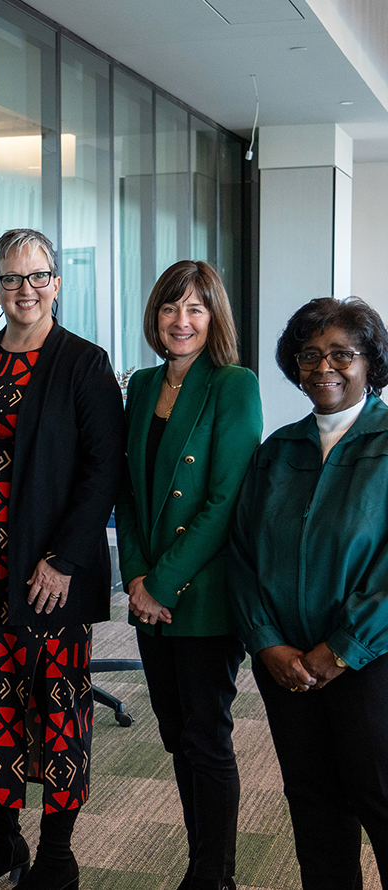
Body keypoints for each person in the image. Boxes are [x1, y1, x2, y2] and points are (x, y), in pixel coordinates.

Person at [0, 229, 123, 890]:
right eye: (11, 279)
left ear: (57, 282)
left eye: (38, 276)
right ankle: (3, 846)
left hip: (49, 578)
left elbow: (103, 470)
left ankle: (56, 852)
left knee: (56, 710)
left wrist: (64, 560)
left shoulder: (83, 362)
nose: (25, 289)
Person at [229, 296, 388, 890]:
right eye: (310, 355)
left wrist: (341, 648)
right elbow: (242, 559)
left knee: (378, 796)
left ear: (371, 363)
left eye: (343, 354)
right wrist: (267, 644)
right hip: (286, 666)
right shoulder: (278, 451)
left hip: (369, 662)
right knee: (313, 805)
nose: (325, 367)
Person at [114, 261, 262, 890]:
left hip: (200, 595)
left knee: (207, 736)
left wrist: (162, 583)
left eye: (196, 309)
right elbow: (128, 489)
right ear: (156, 315)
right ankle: (200, 865)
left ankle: (214, 875)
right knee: (176, 737)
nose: (181, 321)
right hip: (151, 594)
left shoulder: (234, 384)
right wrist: (135, 578)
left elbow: (226, 498)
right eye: (171, 308)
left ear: (213, 318)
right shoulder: (143, 383)